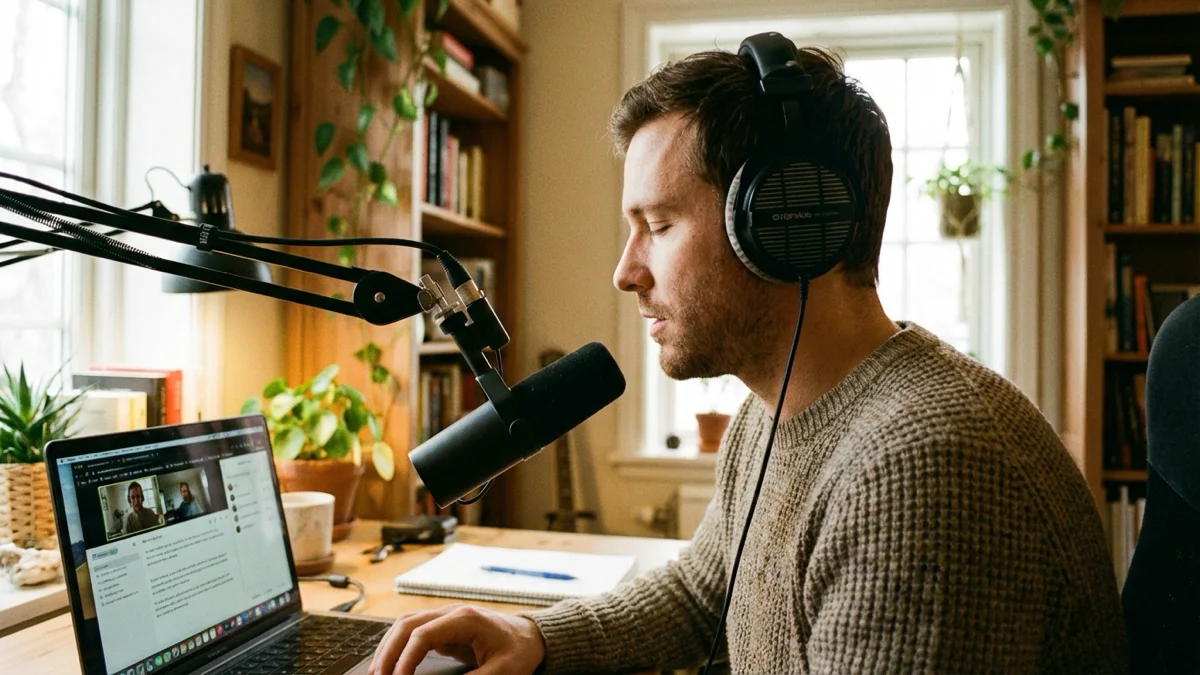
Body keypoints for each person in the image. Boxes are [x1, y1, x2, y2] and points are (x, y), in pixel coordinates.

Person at [369, 40, 1127, 675]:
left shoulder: (921, 468)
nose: (625, 271)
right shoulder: (772, 413)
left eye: (659, 225)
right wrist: (538, 637)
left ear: (781, 224)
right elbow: (705, 592)